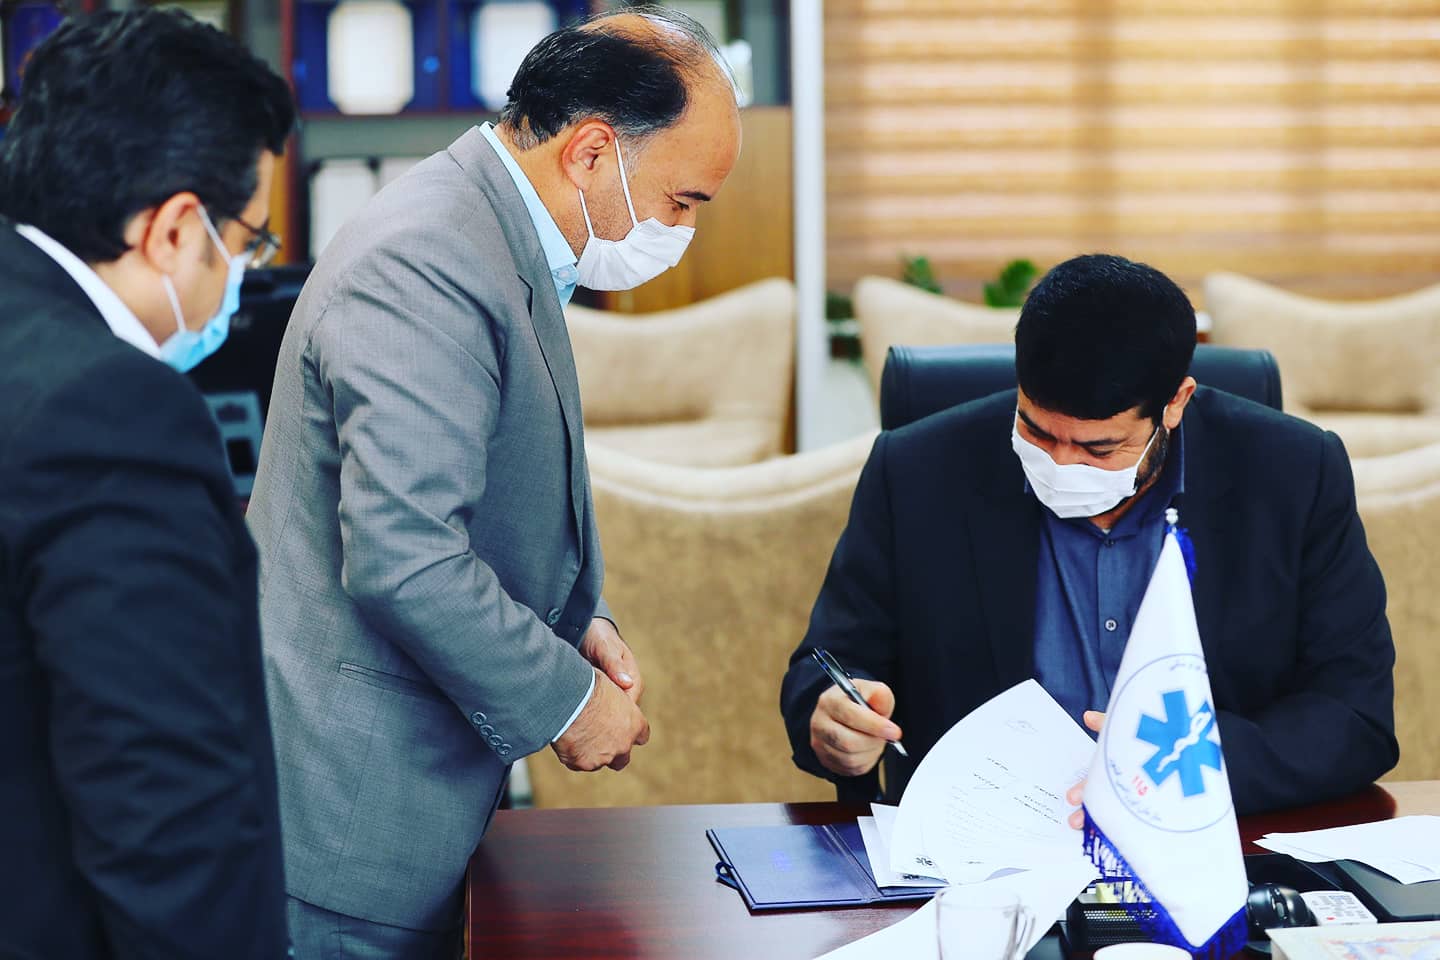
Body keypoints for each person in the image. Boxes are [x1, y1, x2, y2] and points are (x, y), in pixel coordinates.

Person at [246, 7, 741, 954]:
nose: (682, 230)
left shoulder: (497, 231)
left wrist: (577, 620)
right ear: (591, 152)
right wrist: (566, 699)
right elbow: (405, 557)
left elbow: (486, 491)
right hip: (352, 821)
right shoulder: (430, 259)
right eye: (682, 201)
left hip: (415, 793)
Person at [781, 254, 1398, 816]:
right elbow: (828, 664)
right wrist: (831, 721)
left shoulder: (1294, 473)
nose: (1062, 463)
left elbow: (1354, 714)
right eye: (1037, 432)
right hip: (980, 849)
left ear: (1176, 403)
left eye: (1099, 448)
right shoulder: (918, 470)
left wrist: (1193, 765)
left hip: (1209, 838)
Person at [0, 10, 295, 958]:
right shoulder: (114, 413)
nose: (243, 276)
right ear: (172, 229)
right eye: (247, 240)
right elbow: (164, 799)